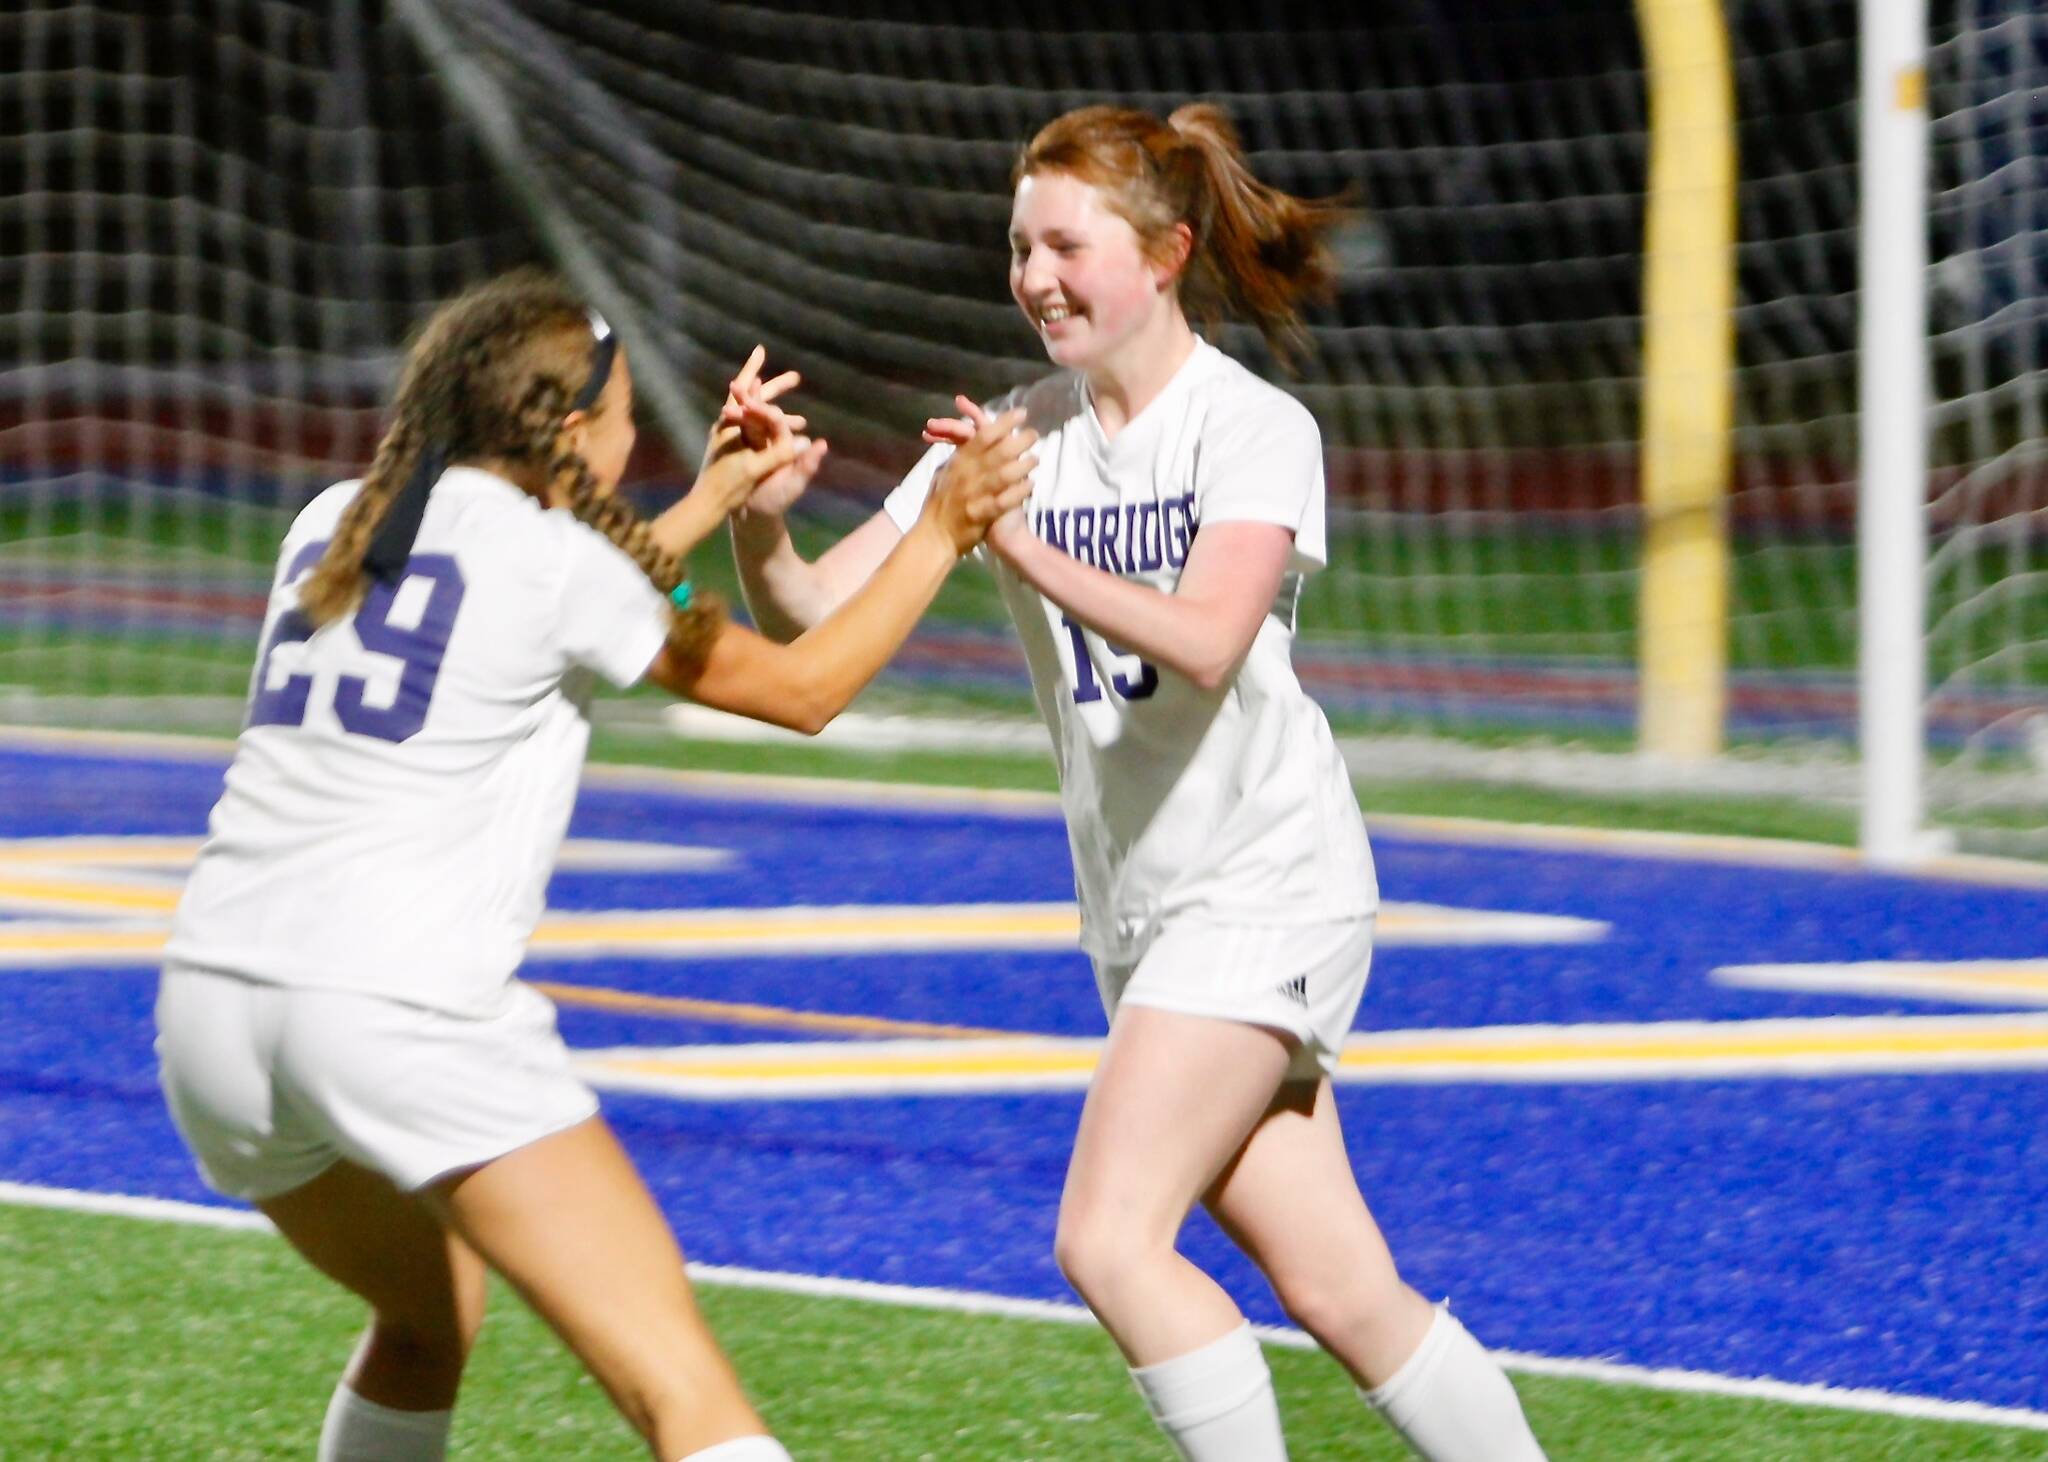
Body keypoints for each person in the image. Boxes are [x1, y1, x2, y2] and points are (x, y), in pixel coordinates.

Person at [721, 106, 1546, 1460]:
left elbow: (1210, 638)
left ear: (1165, 254)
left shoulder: (1253, 426)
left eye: (1065, 244)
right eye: (1018, 246)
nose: (1035, 275)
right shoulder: (1010, 434)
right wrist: (761, 519)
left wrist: (1011, 538)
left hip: (1268, 887)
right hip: (1151, 915)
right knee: (1344, 1289)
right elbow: (814, 618)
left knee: (1108, 1239)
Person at [154, 268, 1035, 1462]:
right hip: (394, 1006)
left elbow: (546, 590)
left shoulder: (338, 516)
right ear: (568, 432)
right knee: (687, 1400)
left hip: (209, 1009)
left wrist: (724, 492)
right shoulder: (552, 563)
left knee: (427, 1312)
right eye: (625, 417)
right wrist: (943, 527)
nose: (638, 438)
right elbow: (804, 688)